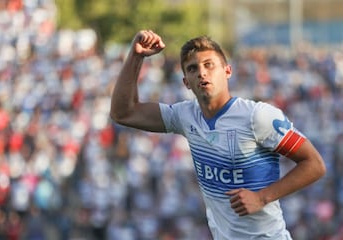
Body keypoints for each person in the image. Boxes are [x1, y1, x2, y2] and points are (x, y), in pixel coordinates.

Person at [109, 30, 326, 239]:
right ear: (186, 82)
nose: (202, 72)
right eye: (193, 69)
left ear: (227, 71)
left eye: (209, 65)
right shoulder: (184, 116)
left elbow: (314, 164)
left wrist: (262, 197)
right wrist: (136, 56)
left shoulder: (257, 116)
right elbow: (123, 113)